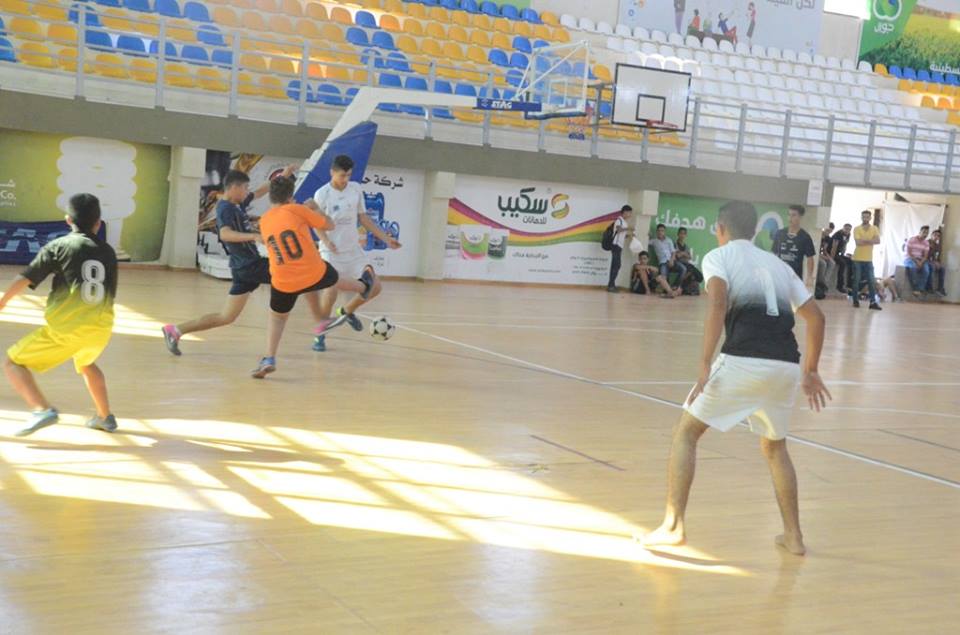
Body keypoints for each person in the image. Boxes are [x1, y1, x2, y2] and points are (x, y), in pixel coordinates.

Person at [642, 201, 829, 557]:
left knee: (686, 432)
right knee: (775, 447)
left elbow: (716, 304)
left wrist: (704, 362)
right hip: (786, 366)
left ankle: (673, 527)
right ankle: (794, 536)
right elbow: (817, 318)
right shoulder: (778, 264)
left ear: (720, 229)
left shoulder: (719, 256)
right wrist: (811, 370)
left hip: (743, 359)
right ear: (755, 231)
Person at [0, 194, 119, 436]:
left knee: (13, 363)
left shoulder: (59, 246)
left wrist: (3, 301)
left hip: (67, 328)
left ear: (68, 220)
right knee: (86, 363)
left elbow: (25, 277)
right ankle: (105, 417)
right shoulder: (108, 252)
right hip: (101, 328)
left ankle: (41, 409)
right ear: (98, 223)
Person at [161, 166, 297, 355]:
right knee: (293, 274)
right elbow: (225, 234)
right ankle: (319, 315)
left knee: (226, 317)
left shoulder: (237, 204)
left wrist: (284, 175)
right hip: (249, 265)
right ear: (234, 187)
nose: (247, 192)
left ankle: (175, 330)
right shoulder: (225, 208)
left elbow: (260, 191)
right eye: (245, 188)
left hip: (243, 269)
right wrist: (254, 236)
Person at [251, 176, 377, 379]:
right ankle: (363, 287)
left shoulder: (264, 221)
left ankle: (269, 358)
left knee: (277, 318)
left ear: (270, 198)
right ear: (290, 197)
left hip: (283, 280)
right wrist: (315, 208)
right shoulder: (297, 210)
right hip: (312, 272)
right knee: (334, 279)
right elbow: (329, 225)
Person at [306, 155, 401, 350]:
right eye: (342, 175)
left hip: (353, 250)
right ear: (332, 172)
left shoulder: (356, 189)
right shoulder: (322, 194)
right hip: (331, 251)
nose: (346, 179)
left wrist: (386, 239)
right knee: (330, 291)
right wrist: (326, 241)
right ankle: (320, 334)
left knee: (375, 287)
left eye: (349, 175)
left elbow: (364, 219)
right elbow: (317, 224)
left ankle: (346, 311)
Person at [771, 205, 816, 284]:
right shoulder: (780, 233)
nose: (790, 218)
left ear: (800, 217)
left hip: (795, 277)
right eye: (789, 215)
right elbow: (773, 253)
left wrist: (809, 276)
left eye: (794, 215)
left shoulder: (805, 237)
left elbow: (810, 258)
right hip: (780, 275)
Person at [851, 210, 882, 310]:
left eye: (867, 217)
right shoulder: (857, 229)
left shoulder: (874, 228)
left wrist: (864, 240)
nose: (865, 218)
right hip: (857, 258)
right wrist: (871, 241)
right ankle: (855, 300)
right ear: (861, 217)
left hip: (868, 259)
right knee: (856, 280)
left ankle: (872, 302)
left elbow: (878, 241)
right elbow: (858, 243)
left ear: (870, 218)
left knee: (871, 281)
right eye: (863, 217)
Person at [604, 205, 634, 293]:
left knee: (616, 265)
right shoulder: (619, 220)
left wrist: (628, 235)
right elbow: (619, 229)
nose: (630, 215)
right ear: (625, 212)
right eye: (629, 212)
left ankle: (611, 284)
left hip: (619, 246)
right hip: (615, 245)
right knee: (616, 265)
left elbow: (620, 235)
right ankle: (611, 285)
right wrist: (629, 228)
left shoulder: (624, 222)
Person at [649, 223, 685, 292]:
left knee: (683, 269)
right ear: (656, 231)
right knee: (663, 278)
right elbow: (645, 241)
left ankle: (675, 286)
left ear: (664, 232)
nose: (660, 232)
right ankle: (668, 290)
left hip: (671, 261)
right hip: (663, 263)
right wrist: (648, 236)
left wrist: (672, 260)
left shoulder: (669, 240)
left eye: (662, 231)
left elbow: (673, 252)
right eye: (659, 230)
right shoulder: (654, 241)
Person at [904, 225, 932, 298]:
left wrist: (921, 262)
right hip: (909, 258)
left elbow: (925, 255)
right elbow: (909, 253)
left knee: (926, 270)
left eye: (927, 233)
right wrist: (916, 261)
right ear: (920, 232)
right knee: (913, 267)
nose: (925, 234)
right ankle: (915, 288)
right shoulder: (911, 240)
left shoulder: (926, 243)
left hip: (920, 259)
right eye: (924, 232)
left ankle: (920, 288)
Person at [674, 227, 703, 294]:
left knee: (697, 274)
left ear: (686, 235)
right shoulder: (675, 244)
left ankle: (681, 287)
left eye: (684, 234)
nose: (682, 235)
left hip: (686, 263)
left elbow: (689, 257)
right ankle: (676, 286)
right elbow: (677, 256)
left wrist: (682, 253)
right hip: (678, 263)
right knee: (690, 270)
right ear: (678, 234)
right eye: (681, 233)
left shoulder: (686, 246)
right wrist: (684, 254)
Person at [829, 223, 853, 293]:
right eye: (846, 229)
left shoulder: (848, 235)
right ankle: (840, 286)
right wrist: (831, 259)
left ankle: (849, 285)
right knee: (842, 264)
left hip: (839, 253)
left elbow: (845, 244)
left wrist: (844, 254)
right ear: (843, 228)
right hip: (832, 252)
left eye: (849, 229)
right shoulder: (838, 235)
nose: (847, 231)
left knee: (851, 261)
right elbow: (834, 247)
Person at [928, 228, 946, 296]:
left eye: (938, 236)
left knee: (943, 268)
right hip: (925, 260)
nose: (936, 237)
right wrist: (933, 262)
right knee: (932, 267)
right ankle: (929, 287)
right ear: (931, 235)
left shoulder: (937, 246)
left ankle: (940, 289)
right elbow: (925, 255)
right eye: (935, 235)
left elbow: (936, 257)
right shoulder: (927, 242)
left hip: (932, 261)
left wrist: (938, 262)